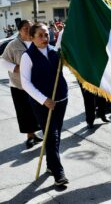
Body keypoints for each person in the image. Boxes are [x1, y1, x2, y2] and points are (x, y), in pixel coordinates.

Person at [20, 22, 69, 186]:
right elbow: (25, 83)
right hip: (42, 104)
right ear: (31, 37)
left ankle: (50, 165)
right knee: (51, 136)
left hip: (61, 99)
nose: (44, 38)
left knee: (56, 135)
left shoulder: (55, 52)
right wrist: (44, 100)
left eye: (46, 34)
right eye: (40, 35)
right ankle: (58, 173)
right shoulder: (27, 56)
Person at [0, 20, 42, 149]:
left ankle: (36, 133)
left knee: (37, 111)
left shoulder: (37, 42)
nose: (28, 30)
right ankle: (30, 136)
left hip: (36, 84)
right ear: (19, 30)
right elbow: (3, 61)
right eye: (25, 28)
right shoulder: (13, 45)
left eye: (30, 27)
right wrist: (16, 68)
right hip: (19, 85)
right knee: (25, 112)